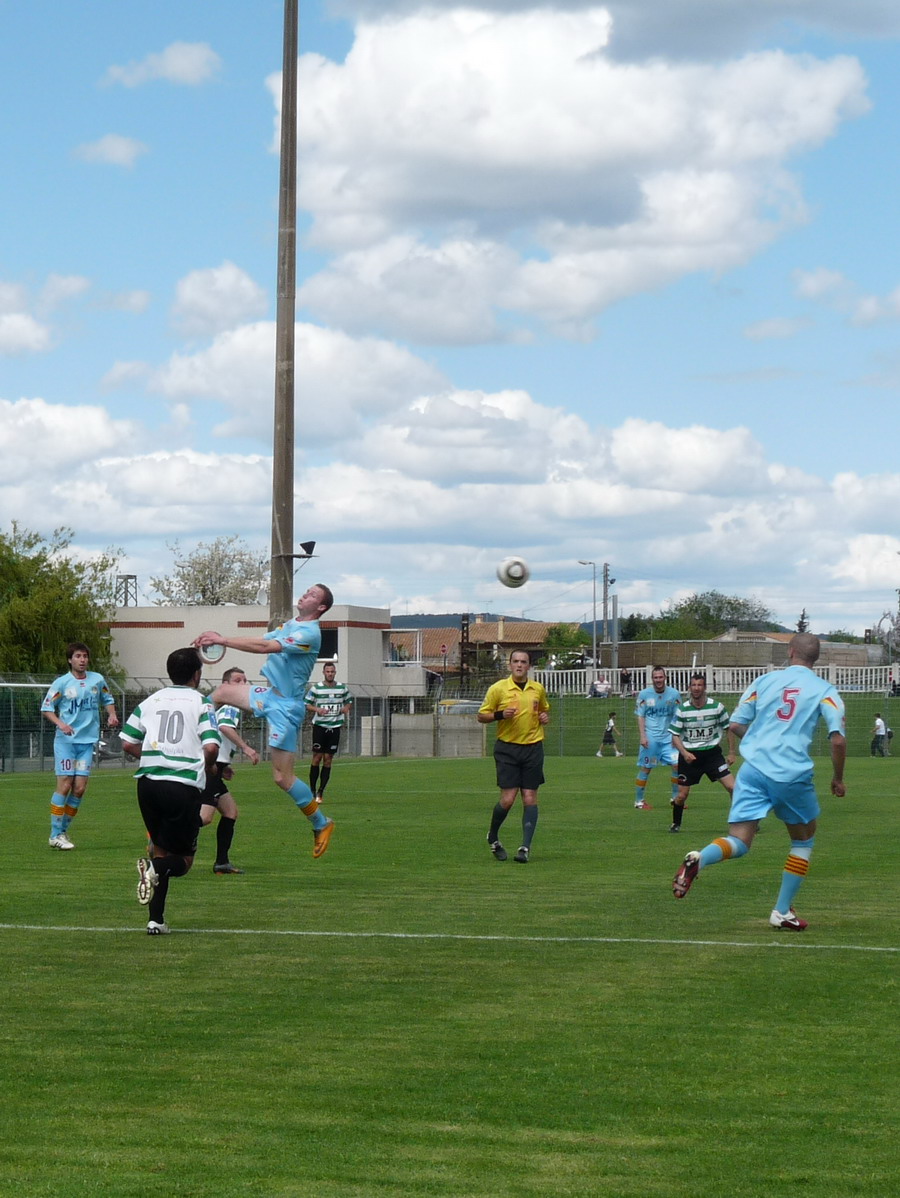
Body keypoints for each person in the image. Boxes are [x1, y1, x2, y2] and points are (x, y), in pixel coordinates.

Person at [672, 633, 846, 931]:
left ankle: (699, 859)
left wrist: (761, 742)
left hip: (753, 770)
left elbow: (737, 724)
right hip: (790, 773)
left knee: (739, 839)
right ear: (816, 658)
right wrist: (837, 778)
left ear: (790, 652)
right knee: (803, 839)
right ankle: (781, 911)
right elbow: (838, 740)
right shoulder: (825, 690)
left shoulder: (764, 682)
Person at [193, 584, 336, 858]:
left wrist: (222, 640)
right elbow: (261, 638)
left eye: (313, 596)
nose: (305, 595)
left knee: (282, 777)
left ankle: (322, 823)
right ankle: (199, 741)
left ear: (321, 608)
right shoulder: (292, 623)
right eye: (307, 591)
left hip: (286, 707)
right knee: (220, 693)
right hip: (270, 695)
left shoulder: (309, 633)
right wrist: (221, 641)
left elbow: (264, 646)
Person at [121, 647, 221, 934]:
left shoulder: (151, 700)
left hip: (147, 785)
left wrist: (155, 757)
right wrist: (209, 767)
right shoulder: (202, 703)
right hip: (181, 786)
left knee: (161, 849)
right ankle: (156, 871)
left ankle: (156, 920)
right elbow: (212, 746)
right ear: (197, 674)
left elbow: (128, 743)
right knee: (183, 862)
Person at [41, 642, 119, 850]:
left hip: (87, 742)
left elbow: (107, 698)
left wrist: (111, 714)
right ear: (70, 660)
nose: (82, 660)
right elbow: (47, 708)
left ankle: (61, 832)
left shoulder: (97, 679)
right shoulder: (62, 683)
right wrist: (61, 724)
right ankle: (55, 834)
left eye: (85, 656)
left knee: (80, 788)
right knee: (65, 784)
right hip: (66, 742)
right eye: (78, 656)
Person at [477, 650, 550, 864]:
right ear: (510, 665)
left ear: (529, 666)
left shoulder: (537, 689)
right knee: (508, 800)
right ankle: (493, 836)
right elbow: (481, 716)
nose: (519, 665)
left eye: (523, 662)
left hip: (533, 748)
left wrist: (545, 717)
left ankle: (525, 847)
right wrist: (500, 714)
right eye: (516, 661)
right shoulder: (498, 689)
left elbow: (544, 711)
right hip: (507, 749)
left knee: (529, 797)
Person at [199, 665, 260, 874]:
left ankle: (222, 863)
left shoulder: (219, 703)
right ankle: (162, 834)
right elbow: (225, 726)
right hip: (209, 768)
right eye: (238, 681)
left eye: (245, 680)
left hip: (216, 765)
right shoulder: (230, 703)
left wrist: (225, 765)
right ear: (226, 684)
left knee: (231, 812)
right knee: (205, 818)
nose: (243, 685)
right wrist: (246, 748)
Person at [668, 673, 736, 832]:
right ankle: (676, 823)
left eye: (700, 685)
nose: (696, 688)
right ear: (689, 688)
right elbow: (675, 735)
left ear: (705, 687)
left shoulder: (717, 707)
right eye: (694, 685)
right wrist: (684, 753)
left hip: (712, 755)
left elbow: (729, 729)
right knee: (681, 796)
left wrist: (732, 752)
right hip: (690, 757)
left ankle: (742, 821)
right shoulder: (682, 710)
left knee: (733, 788)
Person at [633, 666, 681, 810]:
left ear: (665, 678)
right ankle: (639, 801)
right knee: (647, 767)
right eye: (655, 677)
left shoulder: (674, 694)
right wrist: (643, 736)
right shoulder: (644, 694)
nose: (658, 680)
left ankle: (675, 799)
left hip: (668, 740)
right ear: (652, 679)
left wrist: (675, 736)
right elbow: (640, 716)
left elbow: (678, 716)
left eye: (660, 677)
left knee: (676, 764)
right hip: (651, 741)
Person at [305, 661, 353, 803]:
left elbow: (349, 701)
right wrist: (317, 709)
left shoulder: (342, 688)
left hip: (335, 727)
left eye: (332, 671)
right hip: (320, 726)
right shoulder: (317, 688)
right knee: (317, 757)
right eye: (328, 671)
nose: (330, 674)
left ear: (335, 672)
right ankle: (312, 790)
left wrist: (346, 708)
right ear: (324, 672)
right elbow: (306, 704)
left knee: (328, 759)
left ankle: (321, 791)